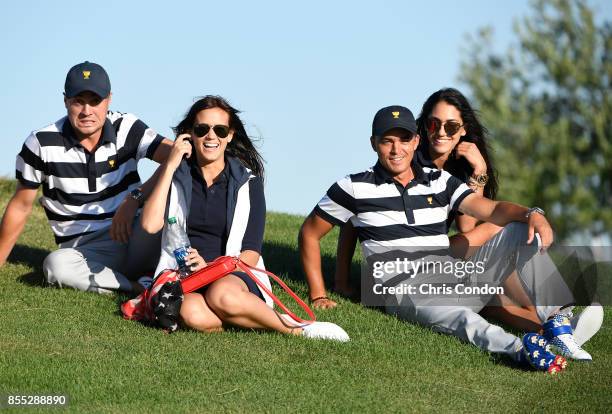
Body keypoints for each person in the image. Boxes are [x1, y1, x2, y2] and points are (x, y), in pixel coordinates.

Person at [299, 104, 599, 370]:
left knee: (520, 228)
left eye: (404, 140)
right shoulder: (353, 186)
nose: (396, 149)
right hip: (403, 290)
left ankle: (558, 321)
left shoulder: (440, 180)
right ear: (373, 144)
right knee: (463, 321)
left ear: (415, 141)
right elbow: (310, 234)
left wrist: (533, 213)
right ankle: (522, 350)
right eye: (387, 141)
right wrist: (318, 294)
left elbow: (491, 209)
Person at [326, 88, 541, 333]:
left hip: (442, 257)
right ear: (422, 128)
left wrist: (479, 172)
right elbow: (355, 218)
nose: (440, 132)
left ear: (463, 130)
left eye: (450, 127)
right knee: (501, 230)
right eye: (433, 124)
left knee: (512, 243)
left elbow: (467, 226)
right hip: (414, 268)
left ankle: (546, 322)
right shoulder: (406, 160)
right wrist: (341, 281)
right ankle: (546, 316)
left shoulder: (459, 166)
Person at [141, 95, 348, 341]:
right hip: (185, 275)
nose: (211, 136)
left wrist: (210, 267)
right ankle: (242, 316)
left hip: (233, 274)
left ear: (230, 135)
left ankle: (295, 329)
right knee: (192, 314)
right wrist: (170, 164)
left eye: (220, 130)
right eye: (202, 129)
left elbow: (251, 253)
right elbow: (150, 224)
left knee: (222, 295)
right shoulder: (177, 175)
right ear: (190, 134)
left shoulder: (248, 182)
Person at [0, 61, 173, 294]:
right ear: (65, 101)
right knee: (55, 266)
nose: (86, 111)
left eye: (95, 101)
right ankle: (139, 288)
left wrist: (134, 199)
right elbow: (21, 206)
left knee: (178, 210)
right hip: (84, 252)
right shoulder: (41, 143)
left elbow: (177, 155)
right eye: (78, 101)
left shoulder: (126, 126)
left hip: (136, 234)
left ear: (109, 99)